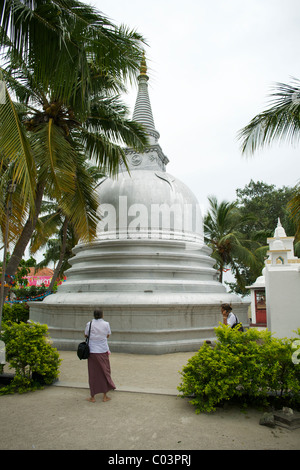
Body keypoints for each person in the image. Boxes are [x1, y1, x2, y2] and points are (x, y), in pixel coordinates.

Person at [85, 309, 116, 403]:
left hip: (92, 351)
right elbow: (108, 335)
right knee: (105, 371)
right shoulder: (106, 324)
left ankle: (93, 397)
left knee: (93, 373)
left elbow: (86, 335)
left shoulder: (89, 324)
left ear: (94, 315)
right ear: (102, 315)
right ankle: (105, 396)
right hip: (103, 350)